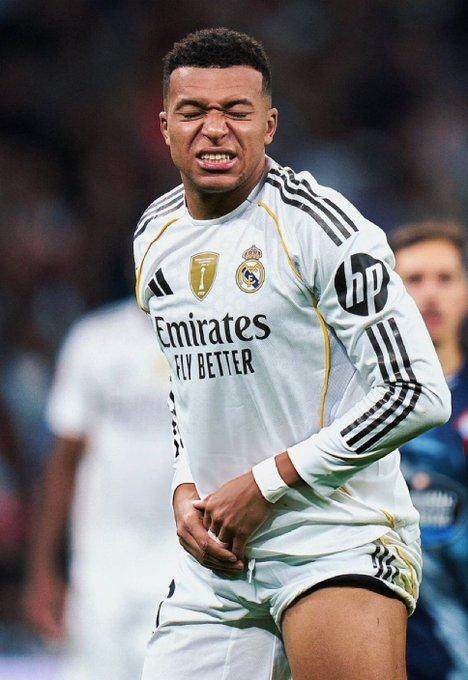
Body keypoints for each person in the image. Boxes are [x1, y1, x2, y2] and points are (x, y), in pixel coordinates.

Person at [133, 28, 451, 680]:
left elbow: (417, 392)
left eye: (236, 111)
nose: (214, 130)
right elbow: (187, 387)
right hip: (221, 556)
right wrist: (185, 486)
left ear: (270, 126)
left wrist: (268, 482)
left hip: (335, 536)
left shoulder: (322, 228)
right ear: (164, 128)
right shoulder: (154, 237)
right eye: (193, 112)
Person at [22, 297, 178, 680]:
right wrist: (42, 569)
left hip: (184, 563)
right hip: (102, 568)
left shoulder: (215, 341)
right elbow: (63, 462)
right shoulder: (94, 340)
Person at [391, 221, 467, 680]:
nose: (430, 294)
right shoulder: (354, 406)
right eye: (414, 280)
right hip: (392, 651)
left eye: (445, 278)